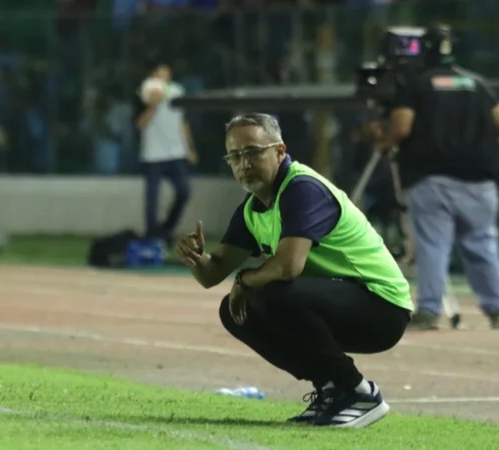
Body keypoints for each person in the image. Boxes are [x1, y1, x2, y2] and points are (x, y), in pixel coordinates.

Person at [174, 113, 414, 428]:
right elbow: (211, 275)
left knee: (271, 291)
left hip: (382, 307)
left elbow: (288, 266)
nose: (244, 163)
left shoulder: (302, 189)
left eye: (253, 152)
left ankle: (358, 392)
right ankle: (330, 389)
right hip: (340, 303)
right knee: (235, 311)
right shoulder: (253, 208)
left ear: (280, 151)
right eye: (235, 156)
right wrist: (196, 257)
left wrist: (245, 280)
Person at [379, 24, 499, 330]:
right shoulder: (478, 83)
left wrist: (383, 141)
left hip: (432, 177)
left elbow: (401, 127)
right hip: (480, 179)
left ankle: (428, 310)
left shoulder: (416, 84)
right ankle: (498, 310)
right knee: (483, 244)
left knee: (432, 246)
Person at [134, 61, 198, 245]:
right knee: (152, 200)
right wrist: (154, 105)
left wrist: (189, 148)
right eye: (159, 73)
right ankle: (151, 236)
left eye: (166, 72)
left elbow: (182, 122)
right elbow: (139, 124)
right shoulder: (144, 93)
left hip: (175, 152)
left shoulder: (177, 91)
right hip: (152, 155)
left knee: (184, 191)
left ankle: (165, 230)